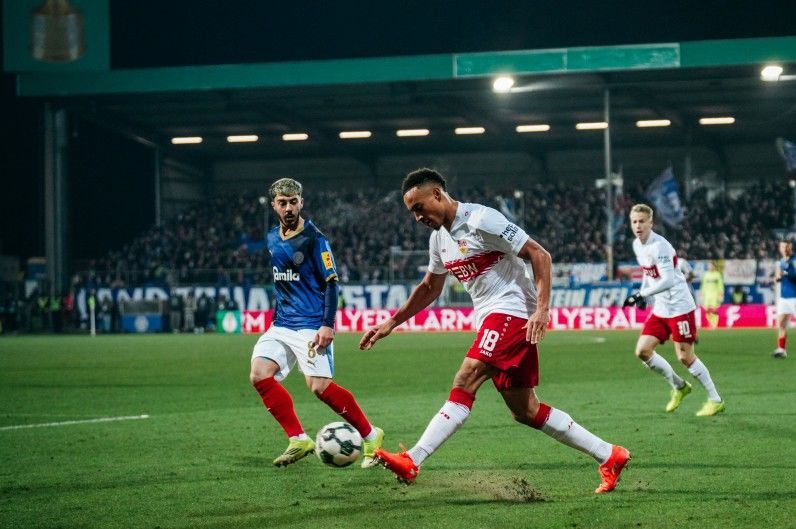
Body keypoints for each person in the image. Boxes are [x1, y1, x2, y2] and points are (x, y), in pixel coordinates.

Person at [359, 168, 630, 494]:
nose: (417, 217)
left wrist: (542, 309)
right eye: (412, 212)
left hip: (512, 313)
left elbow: (539, 254)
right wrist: (390, 323)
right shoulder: (439, 240)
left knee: (465, 379)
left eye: (419, 207)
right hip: (494, 318)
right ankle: (609, 454)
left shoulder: (482, 220)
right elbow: (430, 287)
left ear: (437, 194)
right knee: (525, 411)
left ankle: (413, 460)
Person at [249, 178, 383, 467]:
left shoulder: (315, 238)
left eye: (293, 202)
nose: (288, 208)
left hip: (311, 324)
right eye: (282, 203)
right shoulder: (272, 237)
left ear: (301, 202)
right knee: (259, 374)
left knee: (320, 387)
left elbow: (331, 283)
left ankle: (371, 435)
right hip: (282, 324)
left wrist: (327, 324)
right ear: (273, 205)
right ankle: (298, 439)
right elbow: (283, 282)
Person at [623, 204, 725, 416]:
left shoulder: (660, 246)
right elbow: (648, 273)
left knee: (685, 357)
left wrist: (641, 295)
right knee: (643, 351)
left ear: (651, 223)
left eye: (642, 221)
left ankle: (716, 400)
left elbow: (668, 280)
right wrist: (644, 294)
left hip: (679, 306)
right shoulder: (637, 245)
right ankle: (679, 386)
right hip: (661, 307)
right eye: (634, 222)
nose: (638, 225)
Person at [699, 260, 724, 328]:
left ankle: (714, 323)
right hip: (707, 295)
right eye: (709, 266)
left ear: (714, 266)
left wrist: (721, 293)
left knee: (714, 310)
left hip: (715, 295)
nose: (710, 267)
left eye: (711, 265)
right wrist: (702, 293)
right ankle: (710, 323)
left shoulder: (717, 274)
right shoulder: (705, 274)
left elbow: (720, 285)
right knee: (707, 310)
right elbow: (703, 285)